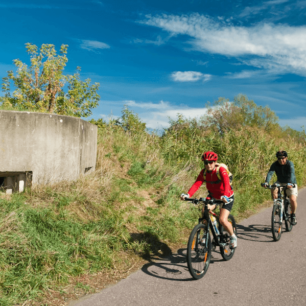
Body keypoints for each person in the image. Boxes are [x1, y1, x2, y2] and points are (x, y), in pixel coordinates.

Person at [180, 151, 237, 248]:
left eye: (211, 162)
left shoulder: (221, 170)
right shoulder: (204, 172)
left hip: (226, 197)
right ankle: (206, 233)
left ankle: (233, 236)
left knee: (223, 220)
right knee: (205, 212)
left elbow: (227, 183)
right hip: (213, 196)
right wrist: (188, 194)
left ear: (215, 162)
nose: (208, 165)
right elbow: (197, 184)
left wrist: (225, 195)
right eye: (206, 162)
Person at [264, 150, 298, 225]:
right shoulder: (275, 164)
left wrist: (291, 183)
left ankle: (293, 215)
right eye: (279, 158)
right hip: (280, 181)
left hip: (291, 182)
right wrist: (266, 182)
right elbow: (270, 173)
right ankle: (277, 205)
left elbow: (292, 174)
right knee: (273, 188)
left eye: (282, 158)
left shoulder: (290, 164)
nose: (281, 160)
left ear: (286, 158)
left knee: (292, 199)